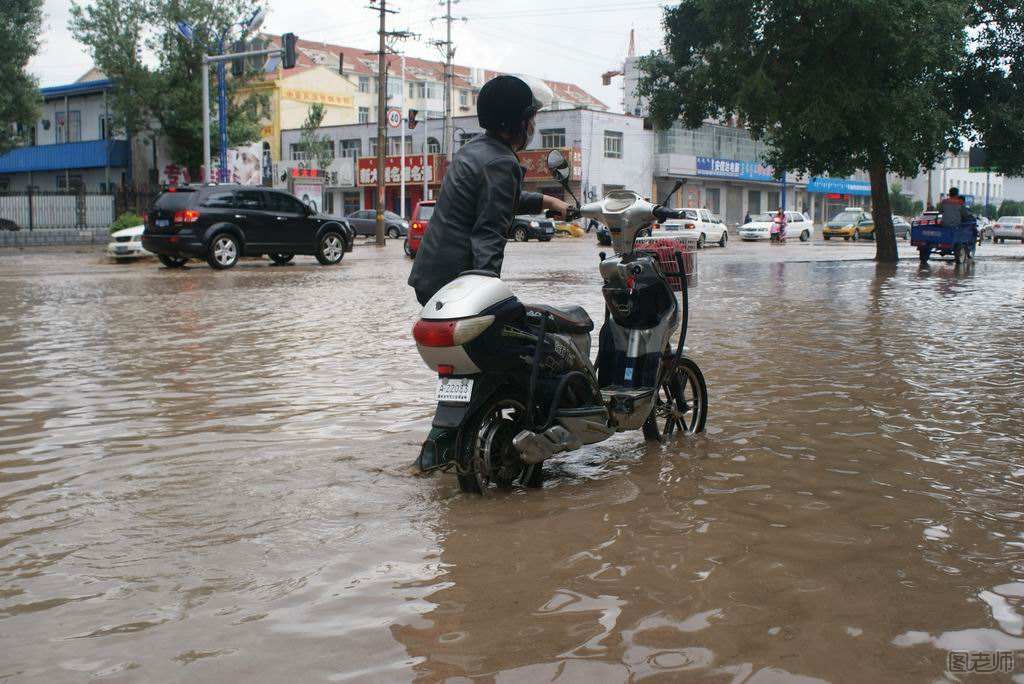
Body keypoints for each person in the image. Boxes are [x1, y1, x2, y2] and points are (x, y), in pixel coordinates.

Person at [407, 75, 569, 306]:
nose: (533, 126)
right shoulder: (501, 163)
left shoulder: (473, 149)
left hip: (430, 276)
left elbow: (493, 200)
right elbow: (489, 234)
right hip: (454, 284)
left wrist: (549, 202)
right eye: (530, 119)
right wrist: (487, 296)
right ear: (516, 123)